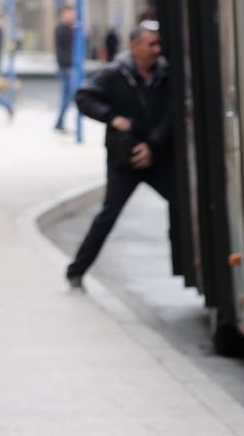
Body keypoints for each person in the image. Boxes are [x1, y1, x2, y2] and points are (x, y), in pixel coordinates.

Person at [65, 20, 174, 288]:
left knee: (183, 205)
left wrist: (153, 145)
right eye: (151, 44)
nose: (156, 50)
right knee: (108, 215)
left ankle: (183, 262)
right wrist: (111, 117)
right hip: (123, 161)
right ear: (134, 47)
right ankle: (76, 271)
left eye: (158, 44)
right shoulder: (115, 73)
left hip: (157, 157)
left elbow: (173, 113)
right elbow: (83, 97)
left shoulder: (166, 74)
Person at [53, 6, 77, 131]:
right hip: (66, 67)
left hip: (70, 66)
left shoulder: (70, 28)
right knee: (68, 96)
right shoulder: (61, 29)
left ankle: (60, 122)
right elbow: (62, 50)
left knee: (68, 96)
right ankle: (59, 121)